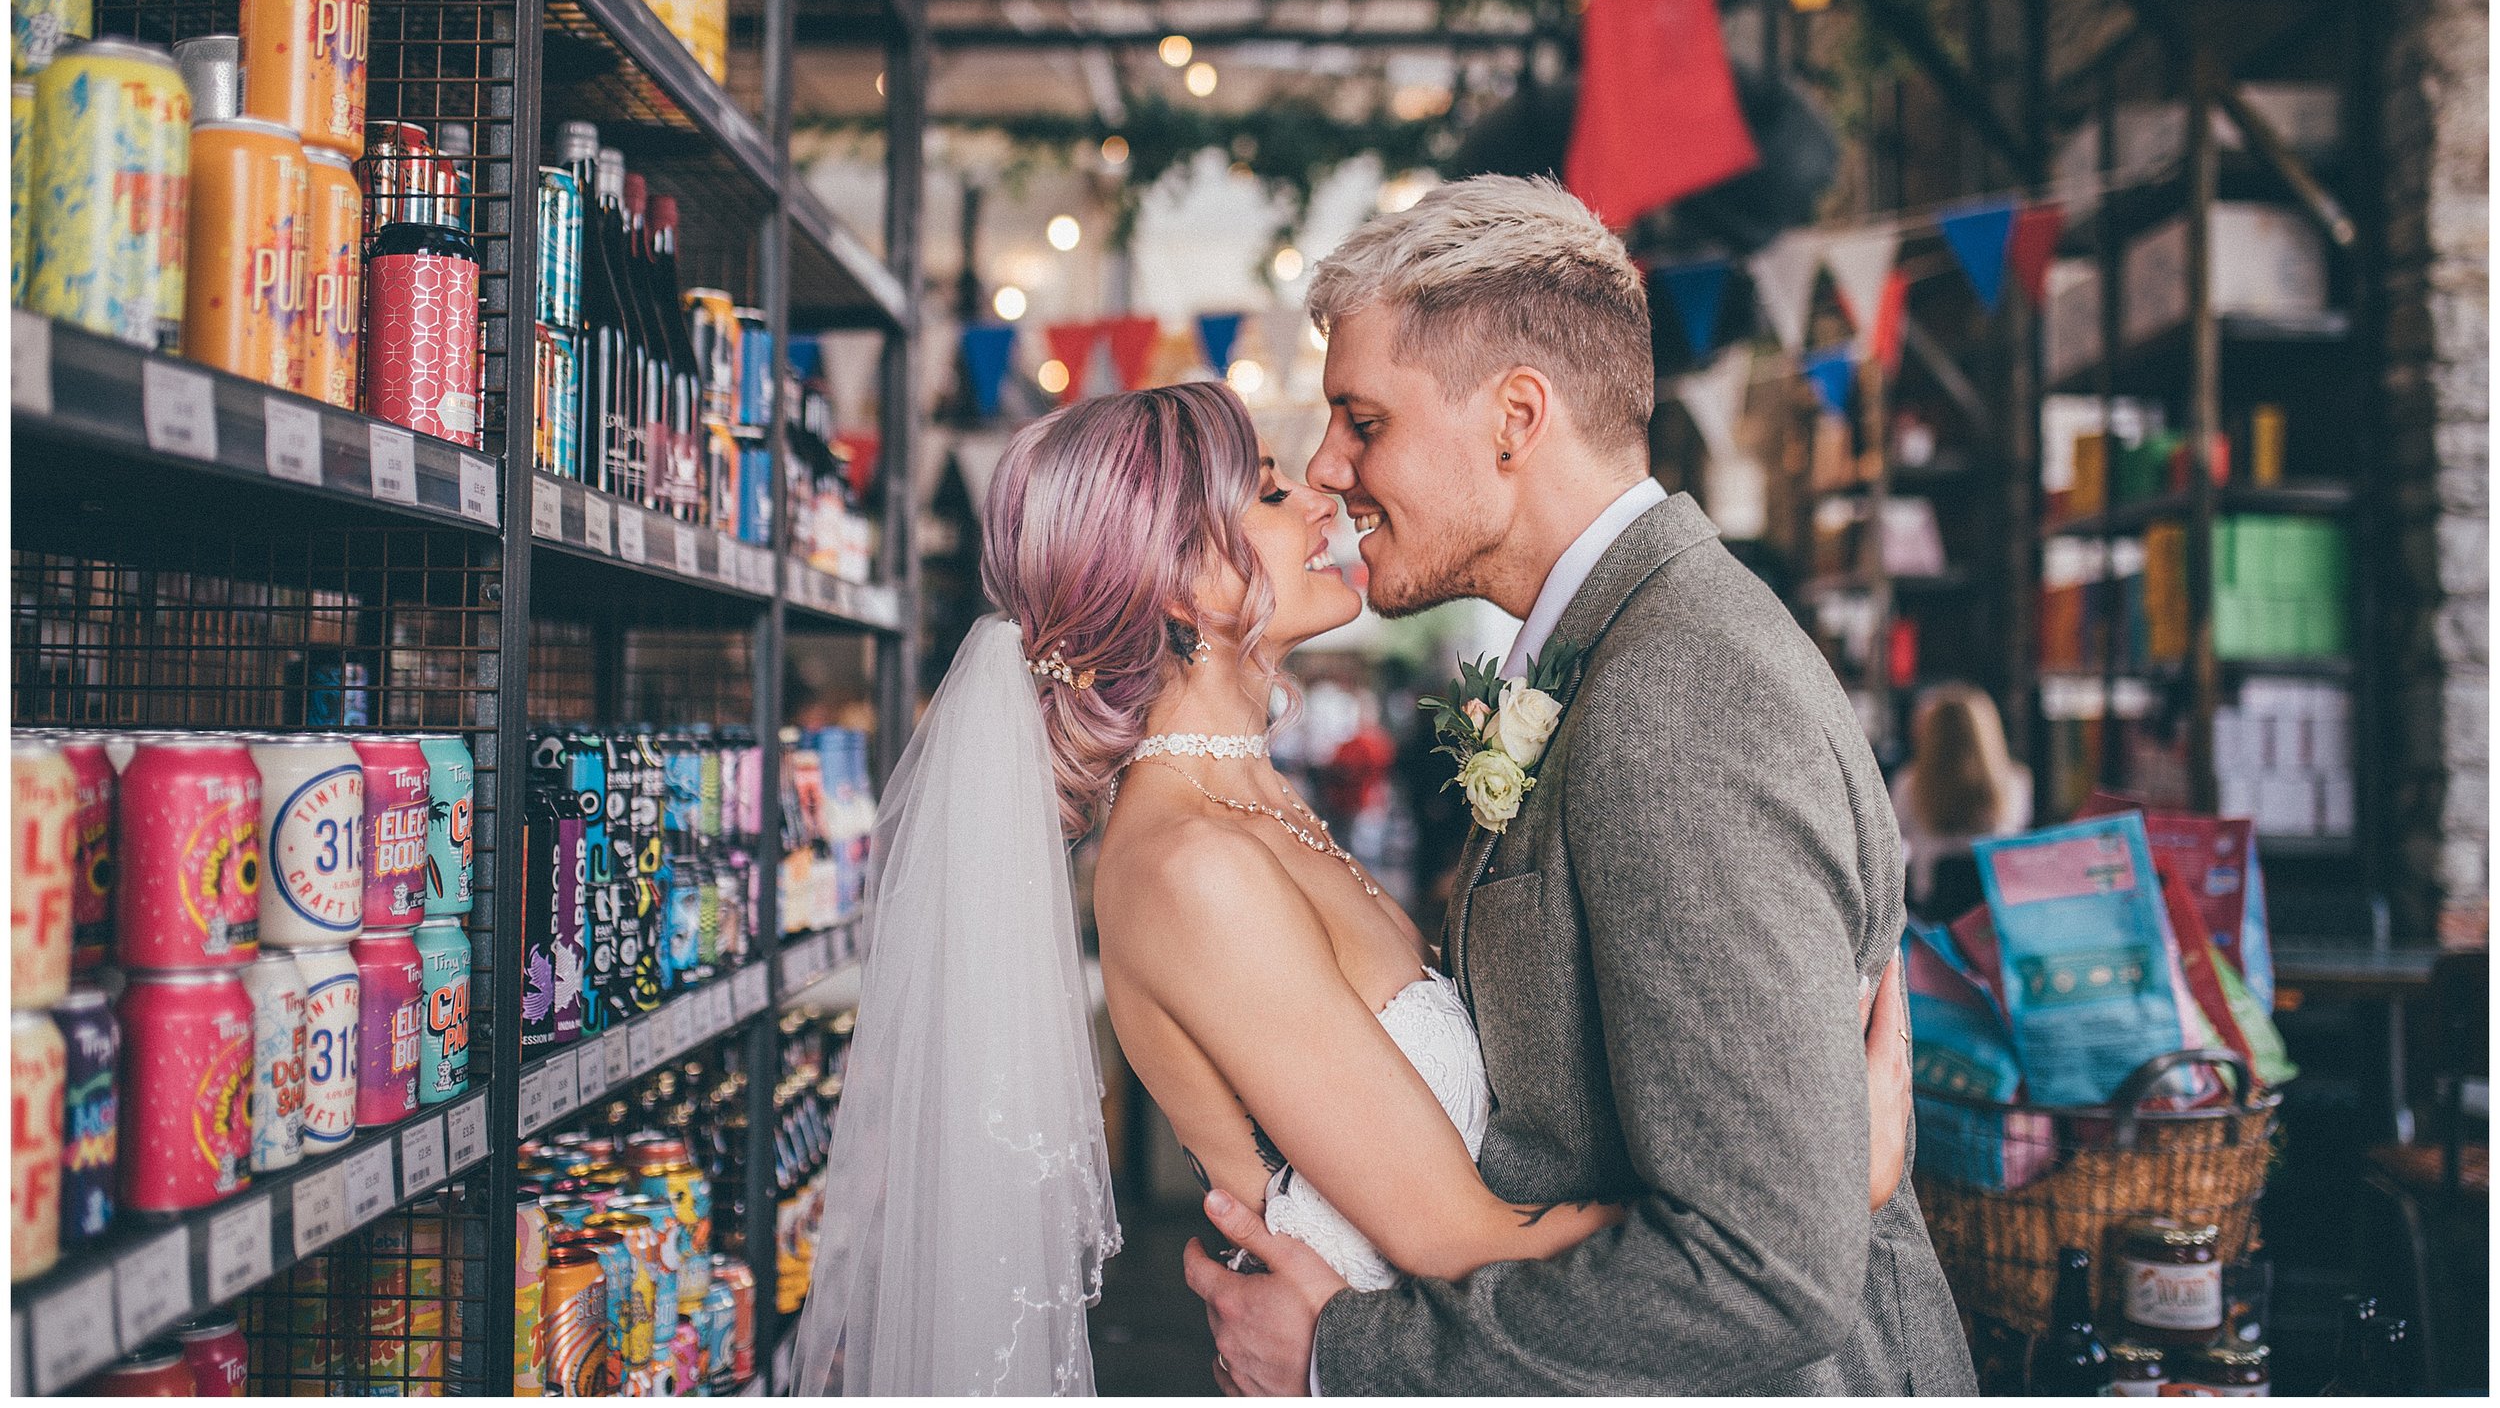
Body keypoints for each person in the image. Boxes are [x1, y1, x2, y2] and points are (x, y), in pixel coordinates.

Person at [789, 373, 1919, 1395]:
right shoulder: (1190, 869)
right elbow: (1461, 1236)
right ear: (1181, 579)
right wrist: (1812, 1196)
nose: (1326, 499)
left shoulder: (1259, 806)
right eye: (1273, 496)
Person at [1185, 175, 1976, 1395]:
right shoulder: (1620, 652)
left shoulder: (1681, 699)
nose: (1329, 468)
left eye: (1363, 419)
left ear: (1513, 416)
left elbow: (1759, 1272)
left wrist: (1353, 1354)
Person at [1895, 682, 2033, 917]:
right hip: (1993, 907)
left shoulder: (1908, 783)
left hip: (1933, 911)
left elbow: (1897, 845)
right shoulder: (2016, 782)